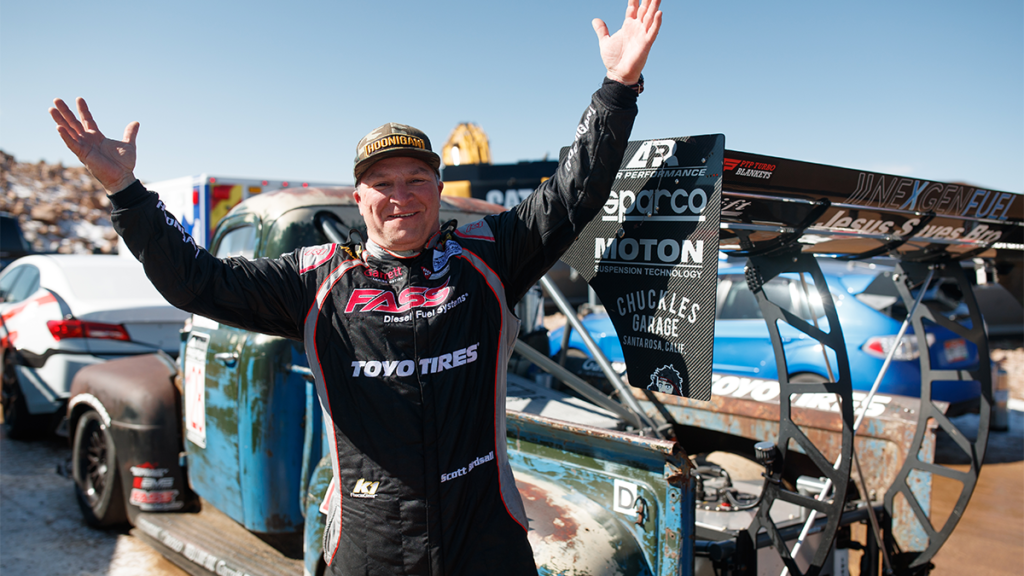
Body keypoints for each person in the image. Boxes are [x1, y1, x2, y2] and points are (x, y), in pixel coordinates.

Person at [50, 1, 662, 574]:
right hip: (372, 545)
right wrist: (126, 193)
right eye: (384, 182)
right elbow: (194, 282)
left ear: (438, 189)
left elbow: (573, 195)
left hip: (485, 537)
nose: (402, 195)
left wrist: (618, 89)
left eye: (417, 179)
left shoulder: (487, 257)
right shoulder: (316, 279)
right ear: (359, 197)